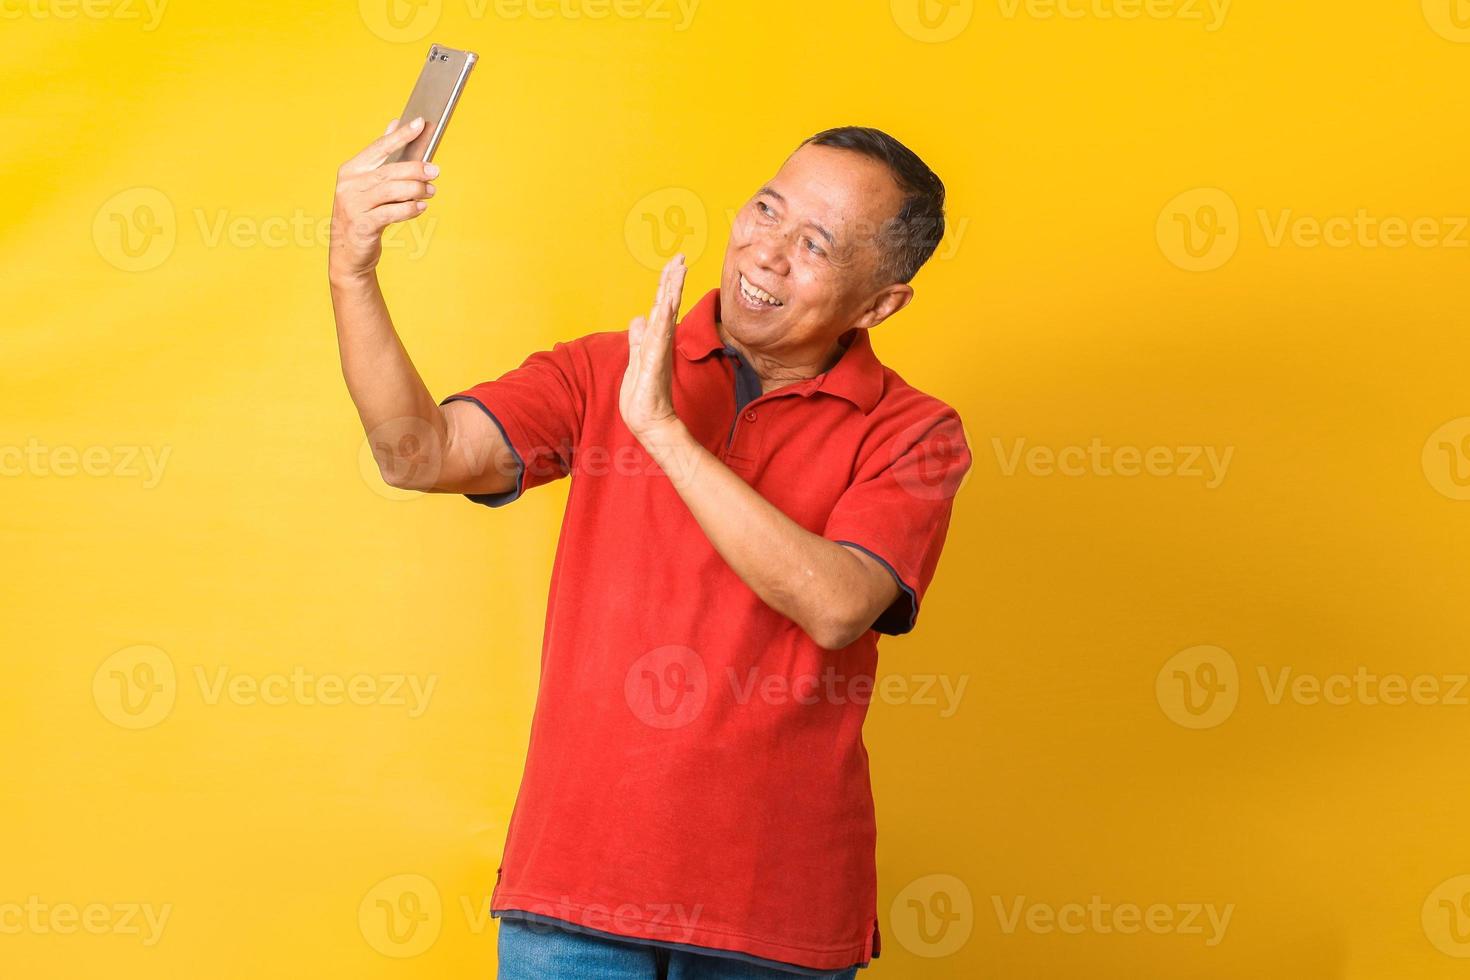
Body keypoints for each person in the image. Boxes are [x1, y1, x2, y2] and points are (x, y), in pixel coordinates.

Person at [329, 119, 972, 979]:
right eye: (767, 209)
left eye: (815, 244)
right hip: (574, 894)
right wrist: (352, 269)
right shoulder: (606, 369)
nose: (768, 252)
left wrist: (664, 431)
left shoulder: (914, 432)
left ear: (879, 303)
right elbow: (418, 455)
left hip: (778, 912)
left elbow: (837, 604)